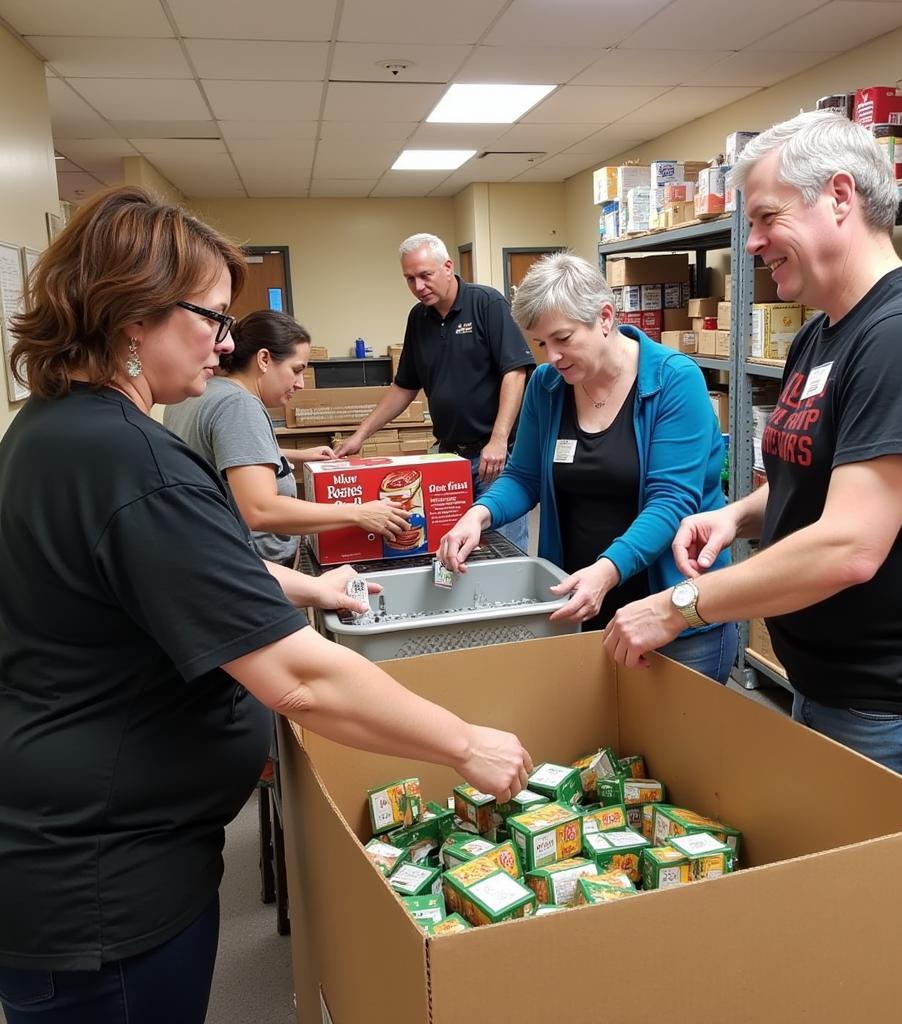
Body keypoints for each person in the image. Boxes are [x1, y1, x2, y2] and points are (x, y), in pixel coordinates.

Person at [0, 186, 532, 1024]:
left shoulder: (53, 428)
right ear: (134, 314)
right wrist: (465, 743)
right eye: (212, 317)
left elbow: (181, 571)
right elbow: (298, 680)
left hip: (69, 857)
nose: (224, 342)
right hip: (105, 889)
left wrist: (310, 585)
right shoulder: (131, 460)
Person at [602, 111, 902, 1024]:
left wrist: (682, 605)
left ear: (839, 199)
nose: (751, 245)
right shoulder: (822, 334)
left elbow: (850, 544)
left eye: (763, 217)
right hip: (841, 682)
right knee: (876, 909)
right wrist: (735, 511)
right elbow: (805, 479)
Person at [438, 252, 738, 682]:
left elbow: (672, 502)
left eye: (563, 338)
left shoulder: (674, 381)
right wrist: (478, 514)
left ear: (604, 317)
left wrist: (606, 570)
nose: (553, 356)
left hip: (672, 613)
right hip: (584, 604)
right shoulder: (547, 387)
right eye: (542, 344)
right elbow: (524, 477)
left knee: (680, 745)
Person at [335, 233, 535, 552]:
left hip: (494, 458)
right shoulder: (419, 318)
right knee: (454, 547)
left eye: (425, 276)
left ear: (447, 267)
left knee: (502, 548)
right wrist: (361, 435)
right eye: (410, 279)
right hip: (449, 458)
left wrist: (498, 440)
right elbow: (404, 386)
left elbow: (515, 371)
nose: (418, 286)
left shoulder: (487, 303)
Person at [165, 309, 410, 566]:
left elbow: (217, 456)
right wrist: (359, 513)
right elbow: (260, 510)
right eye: (296, 370)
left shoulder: (199, 393)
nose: (300, 383)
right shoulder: (239, 405)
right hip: (253, 567)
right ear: (263, 359)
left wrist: (295, 455)